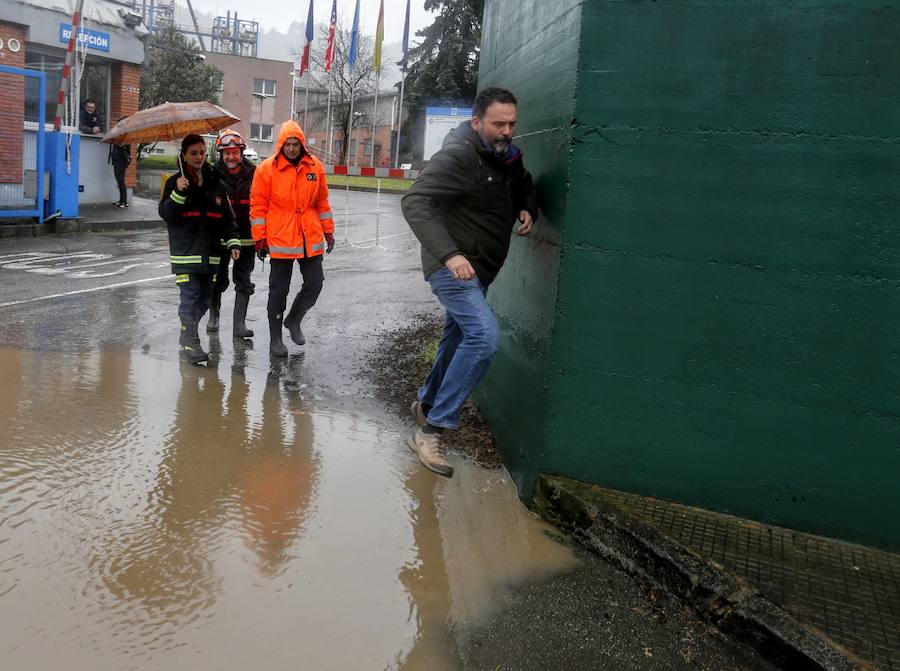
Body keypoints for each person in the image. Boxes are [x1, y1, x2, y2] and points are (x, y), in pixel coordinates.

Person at [401, 87, 538, 478]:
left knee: (459, 337)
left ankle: (426, 402)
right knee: (483, 337)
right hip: (454, 267)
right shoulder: (460, 156)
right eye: (498, 124)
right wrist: (450, 254)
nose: (507, 130)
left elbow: (523, 182)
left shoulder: (507, 157)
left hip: (480, 269)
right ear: (477, 122)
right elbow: (414, 202)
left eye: (512, 123)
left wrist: (528, 207)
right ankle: (432, 431)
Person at [250, 120, 335, 357]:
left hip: (310, 235)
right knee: (279, 290)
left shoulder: (314, 167)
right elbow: (258, 206)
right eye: (287, 144)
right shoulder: (266, 169)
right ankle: (275, 338)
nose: (291, 148)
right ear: (280, 145)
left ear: (302, 144)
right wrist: (260, 238)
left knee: (315, 283)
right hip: (280, 237)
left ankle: (294, 319)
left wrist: (328, 231)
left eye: (295, 144)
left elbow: (322, 202)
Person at [159, 134, 242, 365]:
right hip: (185, 254)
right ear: (184, 154)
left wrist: (233, 241)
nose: (198, 157)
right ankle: (190, 343)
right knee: (190, 297)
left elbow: (228, 218)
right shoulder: (174, 182)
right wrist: (178, 193)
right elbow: (166, 214)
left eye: (202, 152)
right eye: (193, 153)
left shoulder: (217, 182)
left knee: (206, 299)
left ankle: (187, 333)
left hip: (212, 255)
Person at [208, 129, 257, 339]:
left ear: (242, 152)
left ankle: (239, 324)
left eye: (235, 152)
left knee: (243, 280)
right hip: (220, 237)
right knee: (217, 278)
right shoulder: (212, 174)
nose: (230, 156)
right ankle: (214, 316)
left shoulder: (254, 174)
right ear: (220, 154)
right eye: (226, 152)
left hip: (247, 237)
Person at [108, 120, 131, 208]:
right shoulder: (121, 134)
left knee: (121, 181)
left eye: (119, 124)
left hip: (121, 160)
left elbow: (124, 149)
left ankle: (124, 202)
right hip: (119, 160)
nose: (117, 125)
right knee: (120, 181)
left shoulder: (123, 134)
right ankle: (122, 200)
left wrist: (126, 158)